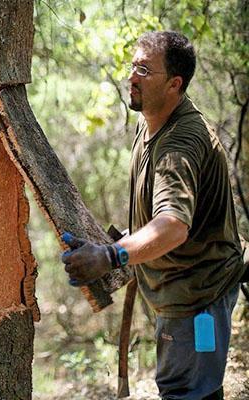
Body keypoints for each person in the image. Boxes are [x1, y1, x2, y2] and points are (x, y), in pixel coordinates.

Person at [61, 31, 246, 400]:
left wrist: (112, 256)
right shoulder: (151, 123)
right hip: (180, 291)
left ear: (175, 83)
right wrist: (123, 241)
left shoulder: (180, 143)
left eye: (144, 70)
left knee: (187, 393)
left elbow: (175, 225)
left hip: (199, 298)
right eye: (132, 67)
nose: (131, 77)